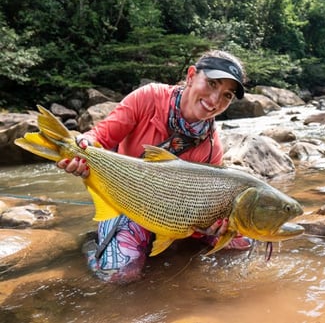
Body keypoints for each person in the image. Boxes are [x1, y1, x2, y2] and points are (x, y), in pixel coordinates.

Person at [57, 49, 251, 284]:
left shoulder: (211, 147)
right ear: (191, 76)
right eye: (211, 84)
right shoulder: (148, 98)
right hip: (125, 202)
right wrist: (82, 146)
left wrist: (211, 228)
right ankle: (91, 245)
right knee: (121, 275)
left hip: (173, 215)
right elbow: (101, 137)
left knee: (242, 242)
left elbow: (201, 211)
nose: (214, 100)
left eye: (226, 95)